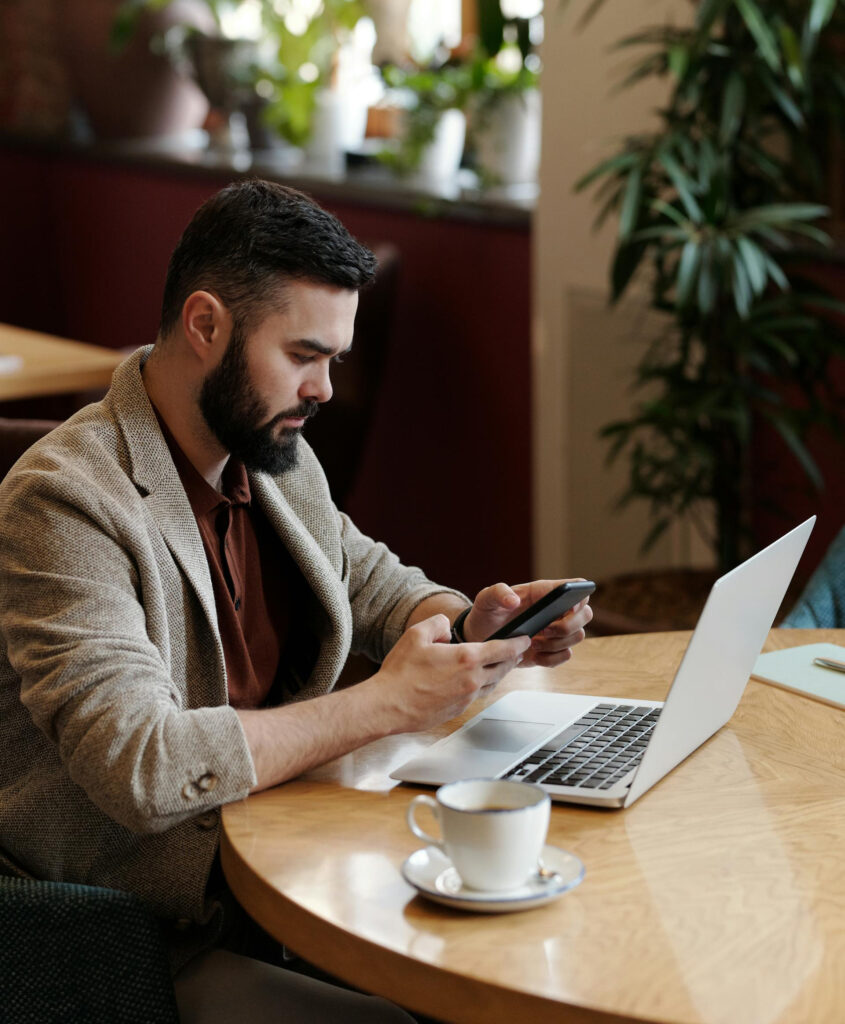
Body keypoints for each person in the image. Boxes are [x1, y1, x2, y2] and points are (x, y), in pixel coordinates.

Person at [0, 180, 592, 1022]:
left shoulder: (271, 452)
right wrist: (385, 705)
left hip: (284, 871)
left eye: (334, 361)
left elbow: (373, 581)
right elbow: (142, 764)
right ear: (206, 325)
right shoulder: (64, 502)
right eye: (303, 355)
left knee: (516, 977)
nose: (324, 389)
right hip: (132, 938)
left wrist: (469, 623)